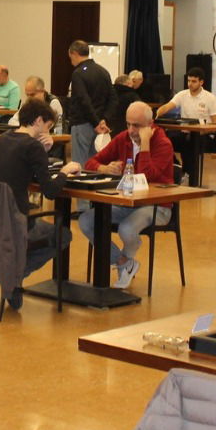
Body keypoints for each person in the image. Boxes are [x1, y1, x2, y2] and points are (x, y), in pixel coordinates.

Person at [0, 98, 83, 307]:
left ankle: (12, 274)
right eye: (48, 126)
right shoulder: (32, 146)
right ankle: (14, 276)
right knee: (63, 235)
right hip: (18, 221)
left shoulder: (4, 138)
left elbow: (20, 167)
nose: (48, 131)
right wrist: (65, 172)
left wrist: (42, 152)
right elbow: (50, 192)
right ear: (38, 121)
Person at [81, 101, 174, 289]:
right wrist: (104, 168)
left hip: (157, 206)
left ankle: (125, 263)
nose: (131, 130)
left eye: (136, 126)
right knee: (87, 221)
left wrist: (145, 144)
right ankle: (124, 262)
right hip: (127, 202)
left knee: (126, 229)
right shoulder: (123, 138)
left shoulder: (163, 144)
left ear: (150, 125)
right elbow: (90, 163)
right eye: (128, 124)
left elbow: (147, 176)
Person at [155, 68, 216, 187]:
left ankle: (190, 177)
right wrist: (157, 113)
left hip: (204, 135)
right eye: (188, 81)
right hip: (185, 132)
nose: (190, 84)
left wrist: (205, 129)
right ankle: (177, 167)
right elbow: (167, 106)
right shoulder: (182, 94)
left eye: (194, 81)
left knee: (190, 144)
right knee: (163, 141)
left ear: (201, 82)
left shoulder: (210, 98)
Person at [65, 40, 113, 166]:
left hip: (82, 123)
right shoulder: (103, 71)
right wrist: (104, 119)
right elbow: (113, 99)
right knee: (94, 164)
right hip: (99, 125)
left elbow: (83, 100)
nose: (71, 62)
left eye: (70, 58)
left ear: (74, 53)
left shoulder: (78, 73)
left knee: (79, 165)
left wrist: (96, 122)